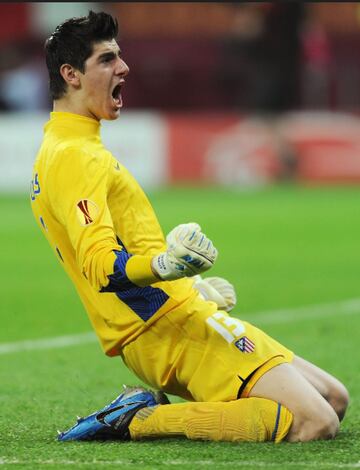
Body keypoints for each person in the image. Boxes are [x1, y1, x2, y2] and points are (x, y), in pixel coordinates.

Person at [30, 11, 349, 444]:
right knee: (316, 423)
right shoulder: (74, 156)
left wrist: (192, 286)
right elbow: (100, 265)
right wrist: (166, 267)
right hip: (165, 328)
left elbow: (126, 244)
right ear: (70, 75)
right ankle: (139, 420)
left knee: (333, 399)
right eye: (106, 60)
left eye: (119, 57)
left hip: (176, 311)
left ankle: (153, 410)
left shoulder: (72, 146)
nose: (123, 68)